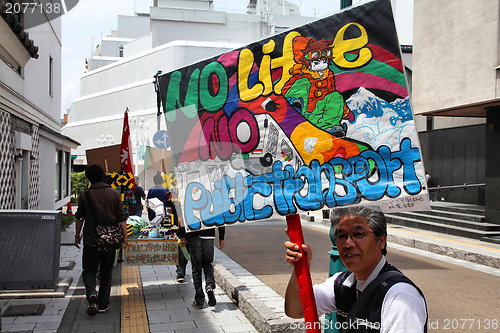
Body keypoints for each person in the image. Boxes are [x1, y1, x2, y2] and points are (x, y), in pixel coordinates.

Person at [284, 206, 427, 332]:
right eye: (341, 236)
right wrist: (301, 267)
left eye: (358, 234)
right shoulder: (341, 284)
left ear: (381, 241)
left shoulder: (400, 297)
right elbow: (296, 309)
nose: (348, 243)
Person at [74, 164, 128, 316]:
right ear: (103, 175)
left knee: (89, 270)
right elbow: (121, 218)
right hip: (110, 240)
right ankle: (103, 303)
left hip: (91, 239)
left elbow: (79, 218)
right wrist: (125, 237)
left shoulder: (85, 195)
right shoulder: (114, 193)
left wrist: (77, 236)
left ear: (88, 178)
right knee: (106, 271)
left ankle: (91, 293)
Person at [186, 226, 225, 309]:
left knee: (196, 268)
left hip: (194, 234)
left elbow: (183, 217)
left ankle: (199, 300)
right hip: (209, 235)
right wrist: (221, 237)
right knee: (207, 264)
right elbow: (219, 216)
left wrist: (181, 236)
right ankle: (209, 286)